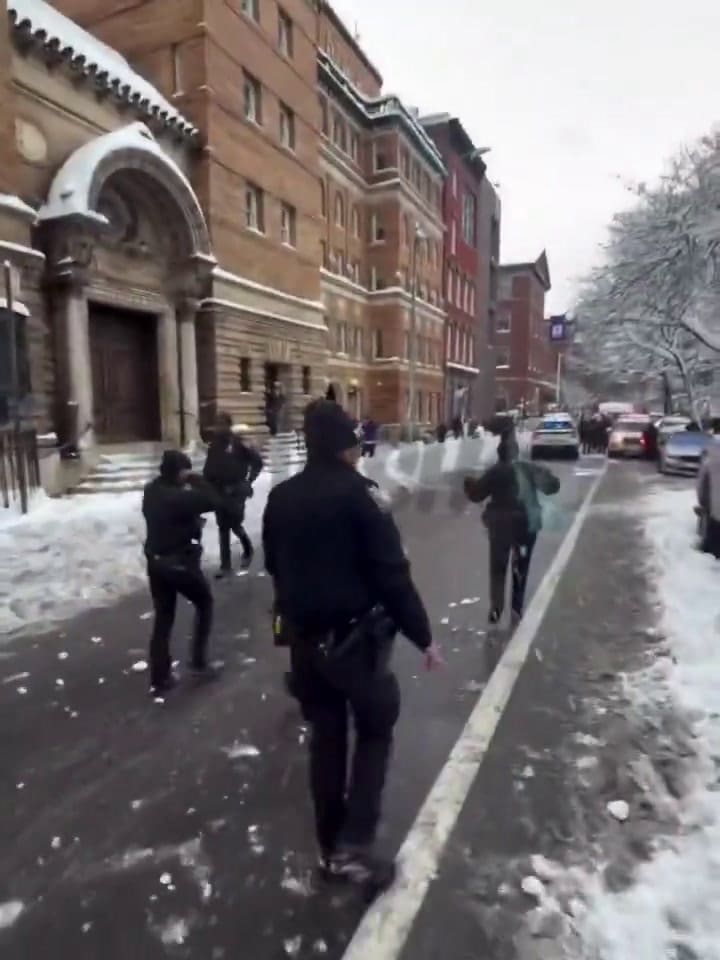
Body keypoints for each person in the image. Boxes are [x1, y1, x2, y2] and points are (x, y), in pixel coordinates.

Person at [262, 399, 441, 894]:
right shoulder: (363, 496)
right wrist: (422, 635)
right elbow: (391, 575)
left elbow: (274, 565)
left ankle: (329, 844)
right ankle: (354, 847)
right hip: (354, 645)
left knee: (326, 737)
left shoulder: (281, 497)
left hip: (304, 643)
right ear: (346, 446)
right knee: (376, 728)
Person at [142, 450, 221, 694]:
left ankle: (160, 677)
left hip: (156, 561)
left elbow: (170, 518)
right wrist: (196, 480)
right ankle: (198, 662)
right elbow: (213, 500)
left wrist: (190, 524)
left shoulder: (152, 491)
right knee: (205, 603)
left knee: (163, 618)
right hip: (178, 563)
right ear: (179, 472)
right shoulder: (178, 498)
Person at [464, 435, 560, 626]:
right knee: (521, 566)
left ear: (499, 454)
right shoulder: (529, 469)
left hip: (500, 528)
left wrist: (468, 483)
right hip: (526, 527)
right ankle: (516, 607)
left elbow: (476, 494)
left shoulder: (495, 471)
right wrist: (548, 477)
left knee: (498, 568)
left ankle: (496, 608)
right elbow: (552, 487)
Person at [203, 413, 263, 578]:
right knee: (223, 527)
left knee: (235, 524)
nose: (219, 427)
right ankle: (225, 566)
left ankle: (247, 547)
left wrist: (248, 482)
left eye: (222, 424)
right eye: (217, 424)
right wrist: (206, 485)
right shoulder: (214, 445)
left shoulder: (238, 443)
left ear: (229, 425)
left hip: (236, 491)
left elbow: (257, 462)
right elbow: (208, 468)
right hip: (219, 491)